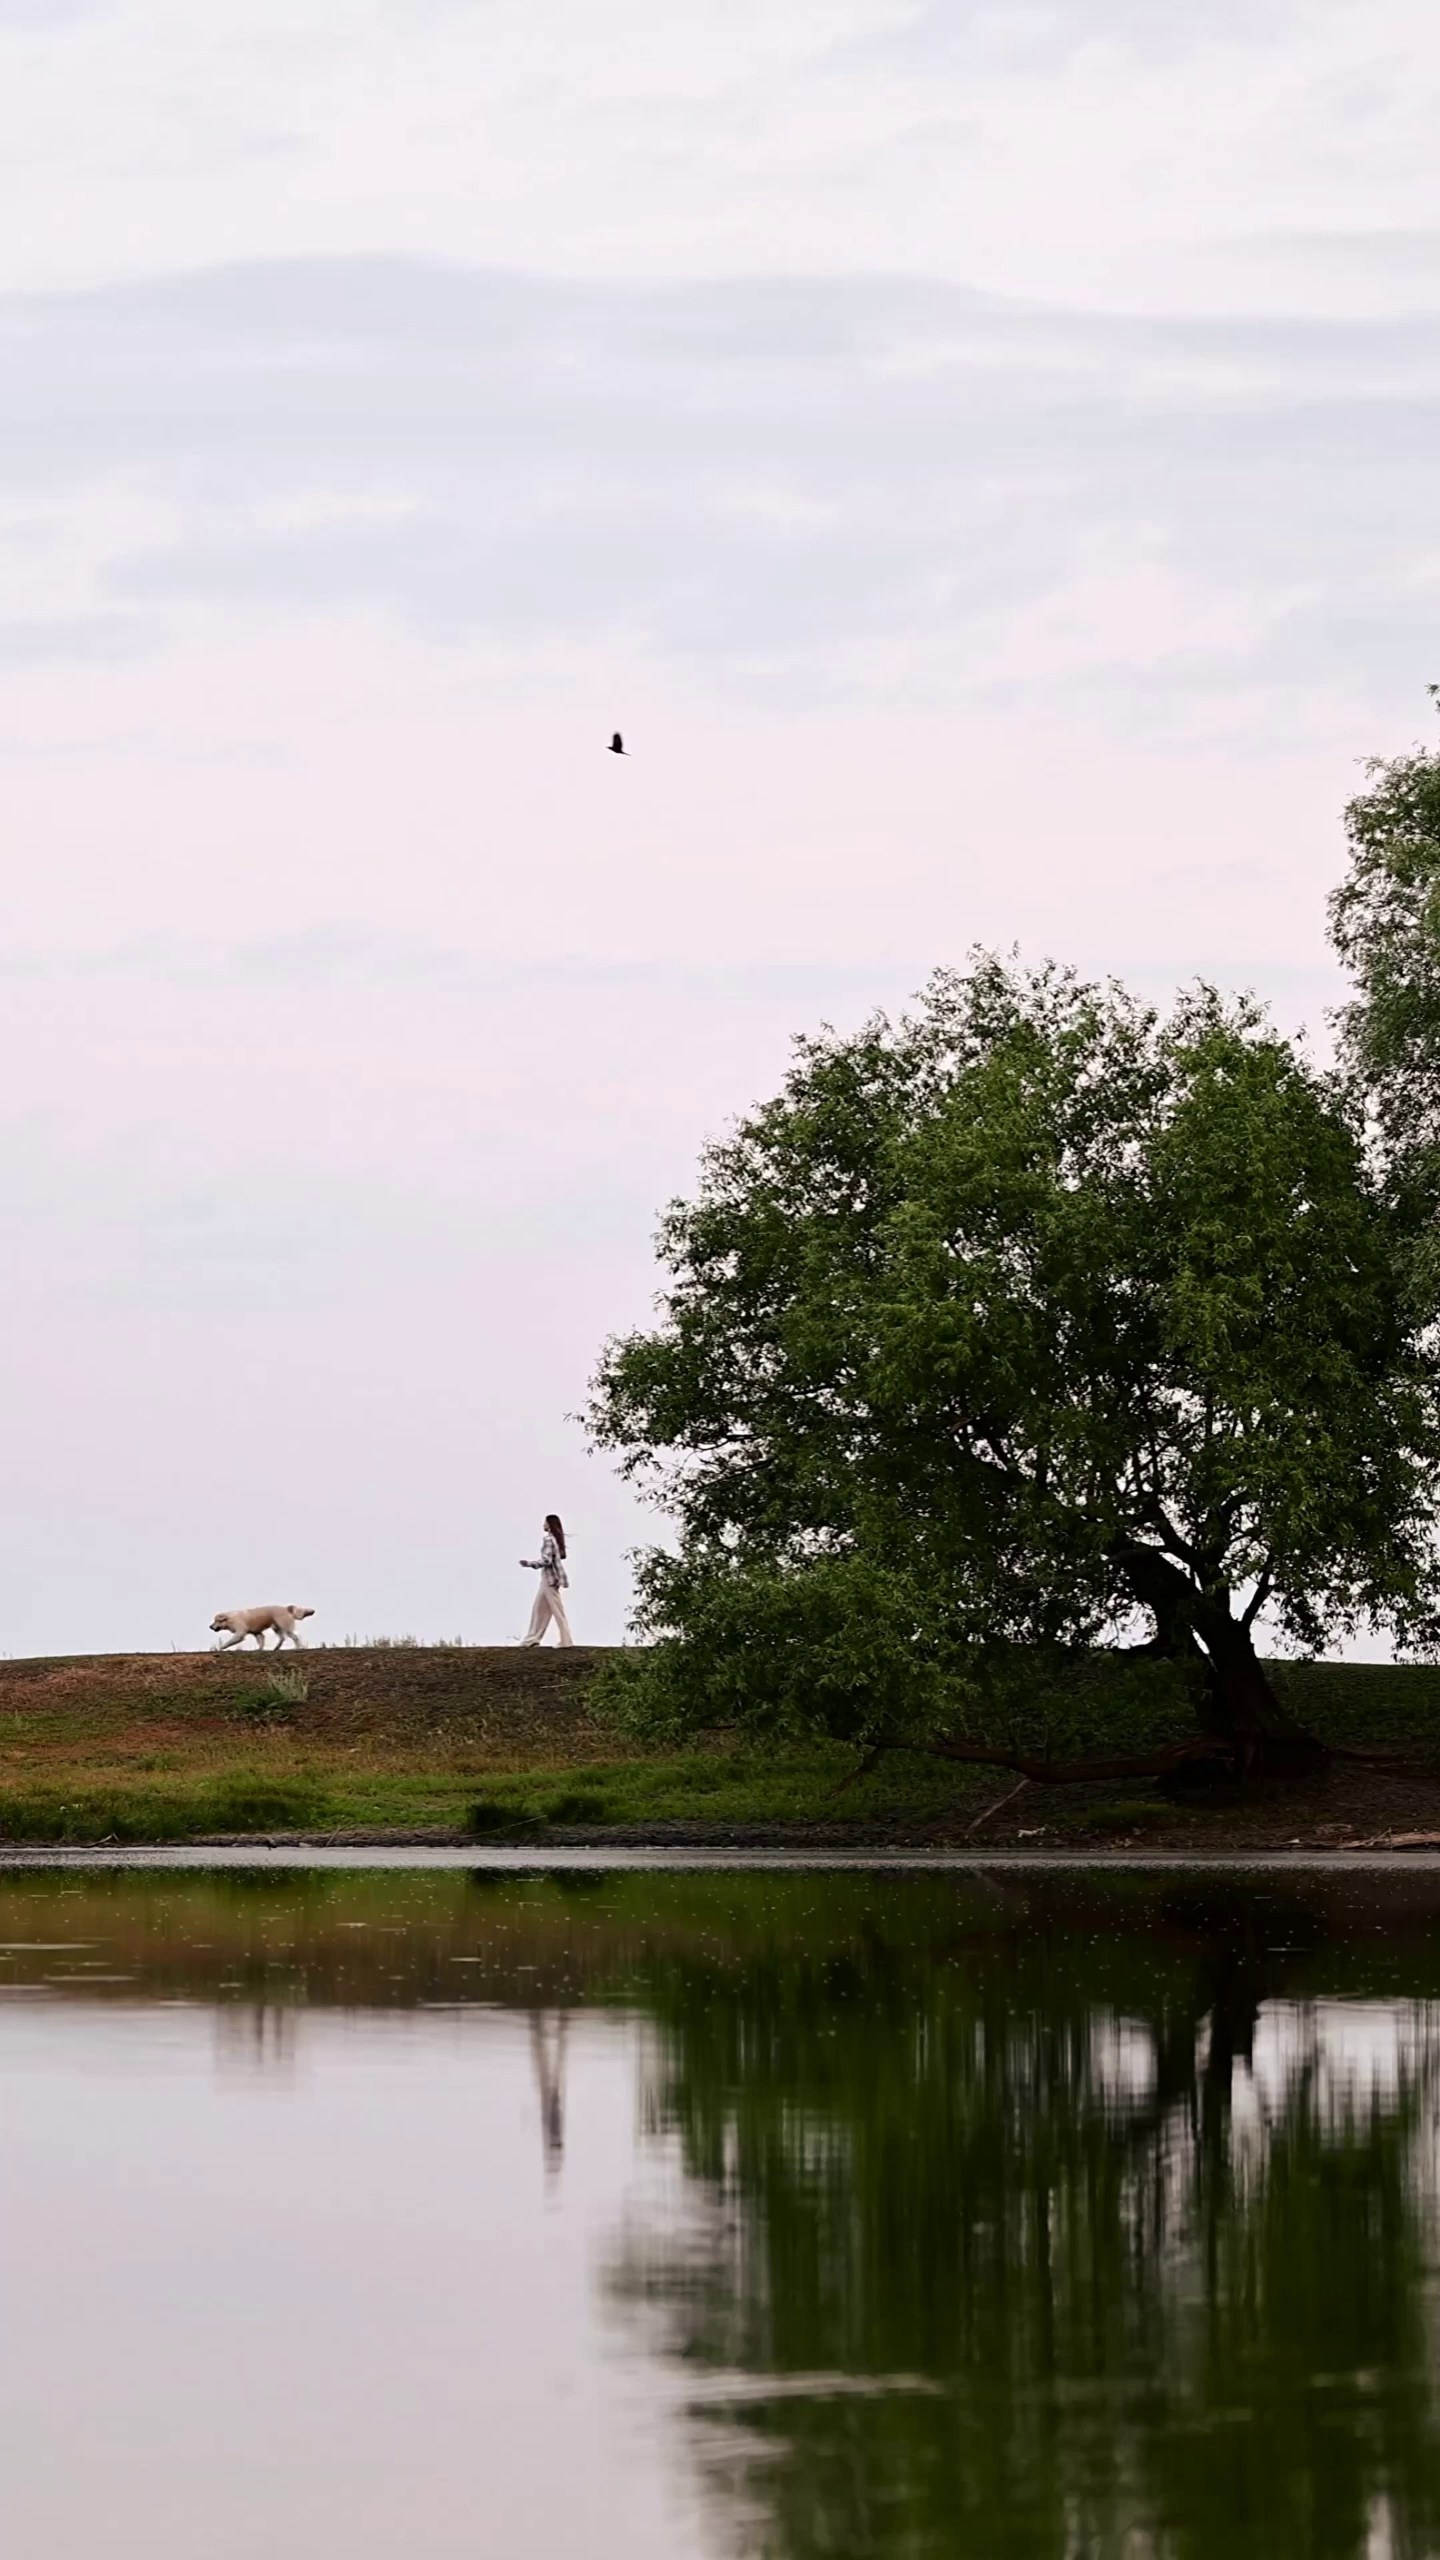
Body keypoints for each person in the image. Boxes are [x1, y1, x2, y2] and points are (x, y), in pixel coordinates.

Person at [520, 1513, 573, 1646]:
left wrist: (529, 1564)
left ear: (549, 1524)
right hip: (551, 1578)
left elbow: (547, 1560)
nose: (543, 1524)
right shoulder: (555, 1539)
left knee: (556, 1609)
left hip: (549, 1578)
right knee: (540, 1608)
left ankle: (565, 1640)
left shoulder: (548, 1539)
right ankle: (532, 1639)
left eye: (545, 1522)